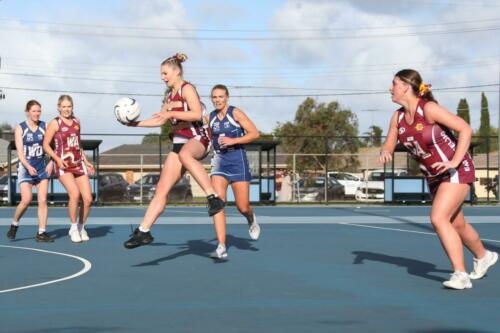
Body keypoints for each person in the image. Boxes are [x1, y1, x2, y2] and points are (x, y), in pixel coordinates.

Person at [379, 69, 497, 289]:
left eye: (394, 83)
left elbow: (465, 129)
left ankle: (460, 274)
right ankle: (484, 256)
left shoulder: (429, 109)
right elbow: (390, 141)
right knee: (457, 224)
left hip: (456, 170)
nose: (390, 88)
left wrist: (454, 161)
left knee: (438, 218)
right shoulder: (398, 117)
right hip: (434, 175)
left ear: (405, 86)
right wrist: (386, 151)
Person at [123, 53, 225, 249]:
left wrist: (171, 112)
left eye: (165, 73)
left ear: (177, 71)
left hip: (198, 138)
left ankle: (213, 198)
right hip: (180, 142)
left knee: (186, 154)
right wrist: (133, 124)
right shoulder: (169, 96)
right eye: (161, 74)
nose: (162, 77)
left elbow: (195, 113)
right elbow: (159, 119)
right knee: (161, 190)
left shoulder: (188, 89)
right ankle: (143, 232)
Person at [208, 84, 261, 259]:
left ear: (227, 98)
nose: (217, 100)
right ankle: (221, 246)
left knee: (242, 206)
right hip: (219, 164)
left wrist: (233, 140)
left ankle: (251, 219)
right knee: (218, 203)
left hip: (238, 161)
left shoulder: (235, 113)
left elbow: (254, 133)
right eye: (214, 97)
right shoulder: (211, 118)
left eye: (220, 96)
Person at [43, 95, 95, 243]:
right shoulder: (55, 123)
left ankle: (81, 226)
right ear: (59, 107)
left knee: (88, 198)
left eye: (69, 106)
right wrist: (57, 159)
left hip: (78, 163)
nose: (66, 109)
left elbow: (78, 144)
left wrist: (86, 161)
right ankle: (73, 227)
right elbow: (46, 145)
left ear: (72, 107)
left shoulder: (77, 121)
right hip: (63, 165)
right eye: (64, 106)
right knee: (74, 194)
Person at [7, 100, 54, 242]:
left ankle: (41, 233)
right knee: (26, 200)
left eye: (39, 111)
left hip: (41, 167)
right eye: (34, 111)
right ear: (28, 111)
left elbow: (55, 146)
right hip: (25, 168)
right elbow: (20, 152)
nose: (37, 113)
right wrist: (28, 166)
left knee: (43, 200)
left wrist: (51, 161)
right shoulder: (20, 128)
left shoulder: (45, 126)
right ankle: (15, 224)